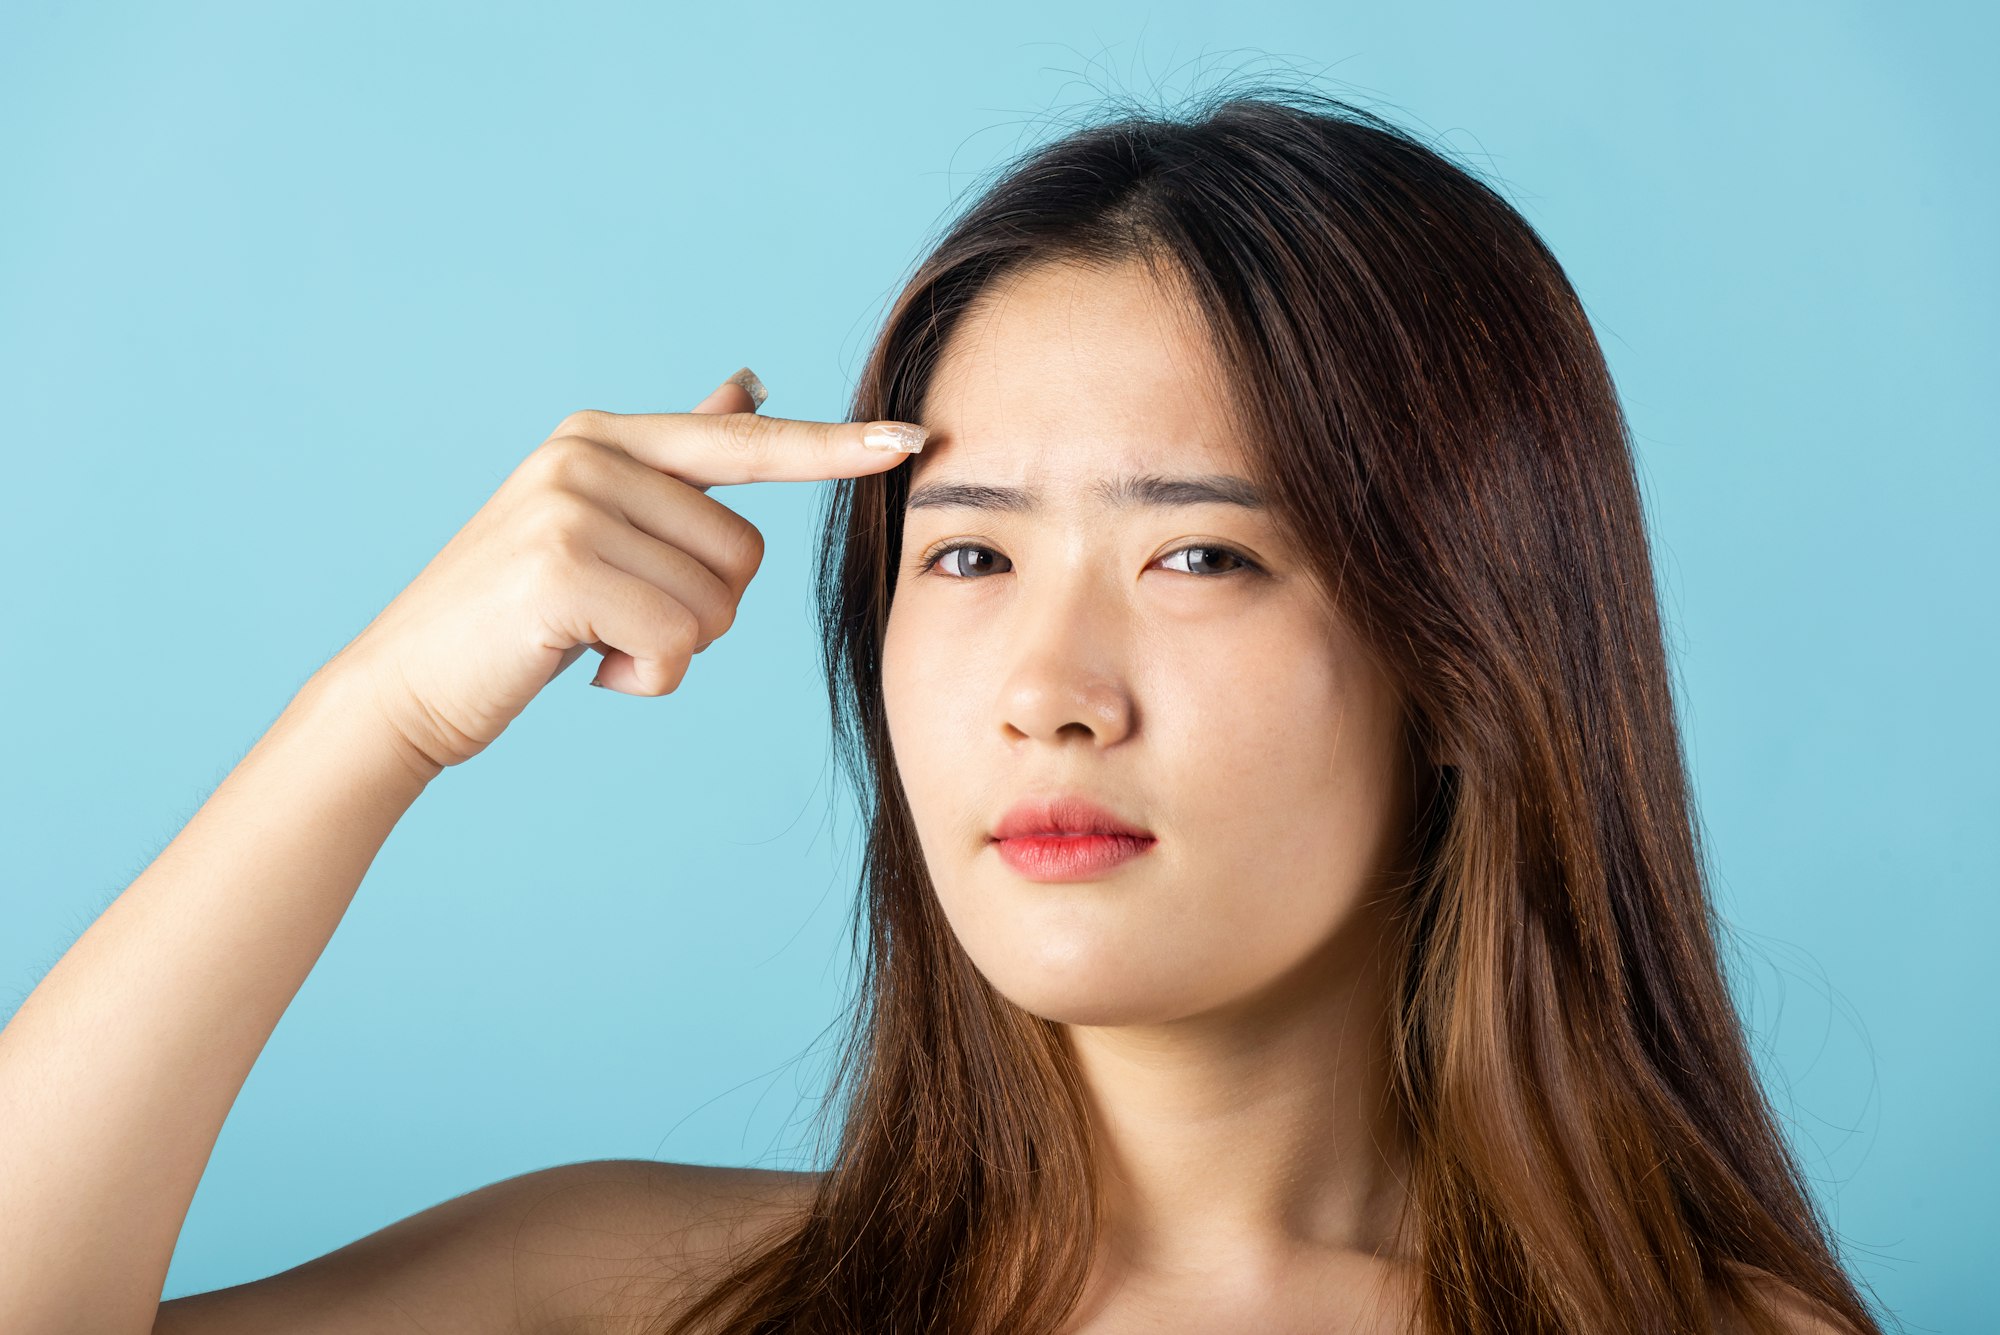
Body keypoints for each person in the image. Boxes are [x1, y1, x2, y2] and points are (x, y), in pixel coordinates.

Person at [0, 86, 1887, 1335]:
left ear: (1468, 660)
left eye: (1203, 558)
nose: (1049, 697)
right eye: (969, 560)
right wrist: (379, 717)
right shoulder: (627, 1294)